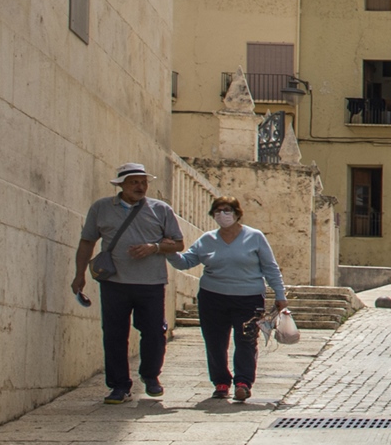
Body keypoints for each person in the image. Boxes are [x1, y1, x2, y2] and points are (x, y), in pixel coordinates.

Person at [72, 163, 185, 404]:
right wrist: (79, 274)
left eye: (144, 182)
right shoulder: (102, 208)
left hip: (151, 283)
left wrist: (153, 248)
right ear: (121, 184)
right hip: (114, 282)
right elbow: (87, 242)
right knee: (114, 334)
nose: (140, 187)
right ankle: (119, 385)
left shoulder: (161, 209)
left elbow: (178, 244)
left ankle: (151, 376)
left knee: (154, 332)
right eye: (134, 182)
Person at [171, 198, 287, 401]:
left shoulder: (254, 237)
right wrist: (167, 250)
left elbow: (270, 267)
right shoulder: (207, 239)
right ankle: (221, 382)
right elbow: (185, 262)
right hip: (213, 297)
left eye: (226, 210)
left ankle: (243, 382)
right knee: (215, 342)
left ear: (236, 213)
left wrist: (280, 294)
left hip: (248, 298)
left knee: (246, 341)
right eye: (217, 211)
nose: (222, 214)